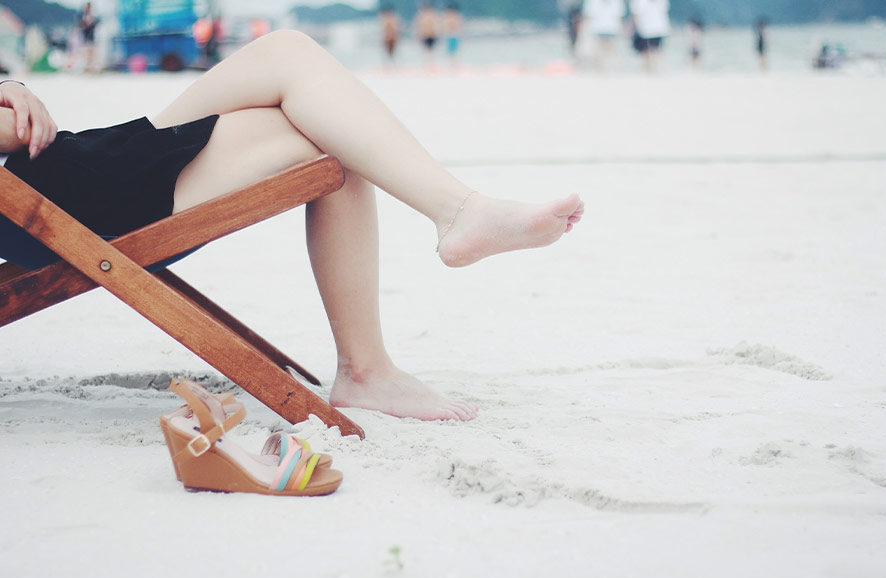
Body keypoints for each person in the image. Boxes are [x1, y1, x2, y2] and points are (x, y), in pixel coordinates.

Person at [0, 32, 584, 423]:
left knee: (290, 54)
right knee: (330, 135)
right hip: (52, 200)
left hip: (69, 170)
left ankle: (452, 224)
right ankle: (375, 354)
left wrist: (11, 87)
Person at [581, 0, 625, 71]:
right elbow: (588, 15)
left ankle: (615, 69)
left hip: (612, 28)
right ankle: (600, 70)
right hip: (598, 28)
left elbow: (620, 16)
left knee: (612, 50)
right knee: (599, 51)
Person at [629, 0, 670, 72]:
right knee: (655, 50)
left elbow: (635, 15)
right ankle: (655, 68)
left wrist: (633, 28)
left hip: (648, 29)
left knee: (647, 51)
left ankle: (652, 68)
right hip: (654, 28)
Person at [415, 2, 439, 66]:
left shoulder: (433, 16)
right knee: (425, 50)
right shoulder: (421, 16)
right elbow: (419, 27)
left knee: (431, 51)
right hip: (425, 35)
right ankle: (426, 63)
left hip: (431, 35)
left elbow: (436, 26)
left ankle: (431, 63)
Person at [77, 2, 98, 73]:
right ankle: (86, 68)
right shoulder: (82, 15)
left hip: (90, 36)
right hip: (85, 37)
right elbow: (80, 25)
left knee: (90, 53)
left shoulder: (92, 15)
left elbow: (94, 25)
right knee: (85, 53)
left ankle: (90, 68)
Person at [444, 2, 463, 67]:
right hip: (450, 35)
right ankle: (452, 63)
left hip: (454, 35)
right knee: (451, 51)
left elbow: (459, 26)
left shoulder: (456, 16)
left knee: (453, 50)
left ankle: (454, 63)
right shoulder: (448, 17)